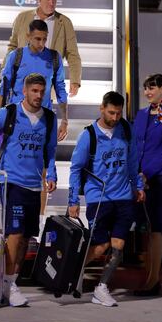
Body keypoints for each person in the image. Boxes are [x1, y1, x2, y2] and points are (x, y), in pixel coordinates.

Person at [68, 91, 145, 307]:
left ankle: (101, 288)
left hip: (123, 197)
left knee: (118, 245)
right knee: (100, 246)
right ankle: (72, 269)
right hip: (98, 198)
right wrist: (73, 201)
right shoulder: (89, 136)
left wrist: (137, 186)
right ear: (102, 108)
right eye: (111, 112)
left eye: (119, 113)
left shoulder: (126, 130)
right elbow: (76, 169)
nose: (115, 117)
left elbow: (132, 162)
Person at [0, 73, 57, 307]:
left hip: (34, 184)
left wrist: (51, 173)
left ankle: (10, 281)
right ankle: (8, 285)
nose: (38, 95)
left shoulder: (49, 118)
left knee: (26, 238)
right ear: (25, 90)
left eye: (42, 91)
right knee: (15, 234)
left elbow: (50, 150)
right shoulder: (9, 113)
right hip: (11, 181)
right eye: (34, 91)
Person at [133, 74, 162, 296]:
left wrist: (146, 173)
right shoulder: (141, 115)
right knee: (144, 230)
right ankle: (148, 277)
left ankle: (153, 280)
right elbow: (134, 146)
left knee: (156, 230)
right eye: (145, 88)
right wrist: (135, 174)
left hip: (158, 178)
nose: (148, 92)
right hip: (138, 178)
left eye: (152, 88)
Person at [4, 0, 82, 98]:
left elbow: (73, 54)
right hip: (21, 83)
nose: (51, 3)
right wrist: (5, 73)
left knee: (44, 114)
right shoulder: (22, 18)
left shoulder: (64, 23)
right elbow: (13, 46)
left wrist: (75, 80)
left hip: (48, 84)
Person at [0, 19, 68, 142]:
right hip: (16, 119)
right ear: (28, 36)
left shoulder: (54, 58)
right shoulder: (16, 56)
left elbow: (60, 89)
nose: (41, 43)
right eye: (37, 39)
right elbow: (4, 87)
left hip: (43, 119)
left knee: (41, 159)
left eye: (44, 39)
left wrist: (65, 120)